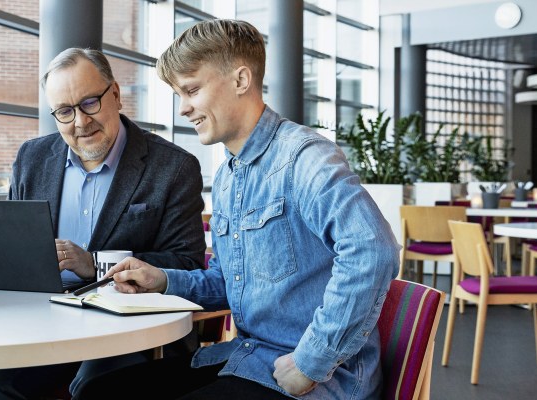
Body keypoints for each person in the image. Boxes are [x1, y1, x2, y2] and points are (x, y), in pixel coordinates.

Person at [75, 20, 400, 400]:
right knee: (98, 392)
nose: (184, 109)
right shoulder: (229, 175)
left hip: (315, 378)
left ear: (241, 79)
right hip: (249, 358)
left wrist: (311, 362)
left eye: (192, 90)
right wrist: (163, 280)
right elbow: (230, 283)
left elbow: (372, 251)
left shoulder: (305, 158)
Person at [0, 48, 207, 399]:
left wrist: (93, 264)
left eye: (89, 103)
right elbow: (13, 251)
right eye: (65, 111)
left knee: (93, 387)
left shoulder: (173, 167)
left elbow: (186, 263)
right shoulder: (31, 158)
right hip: (41, 320)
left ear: (115, 95)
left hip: (131, 325)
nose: (80, 122)